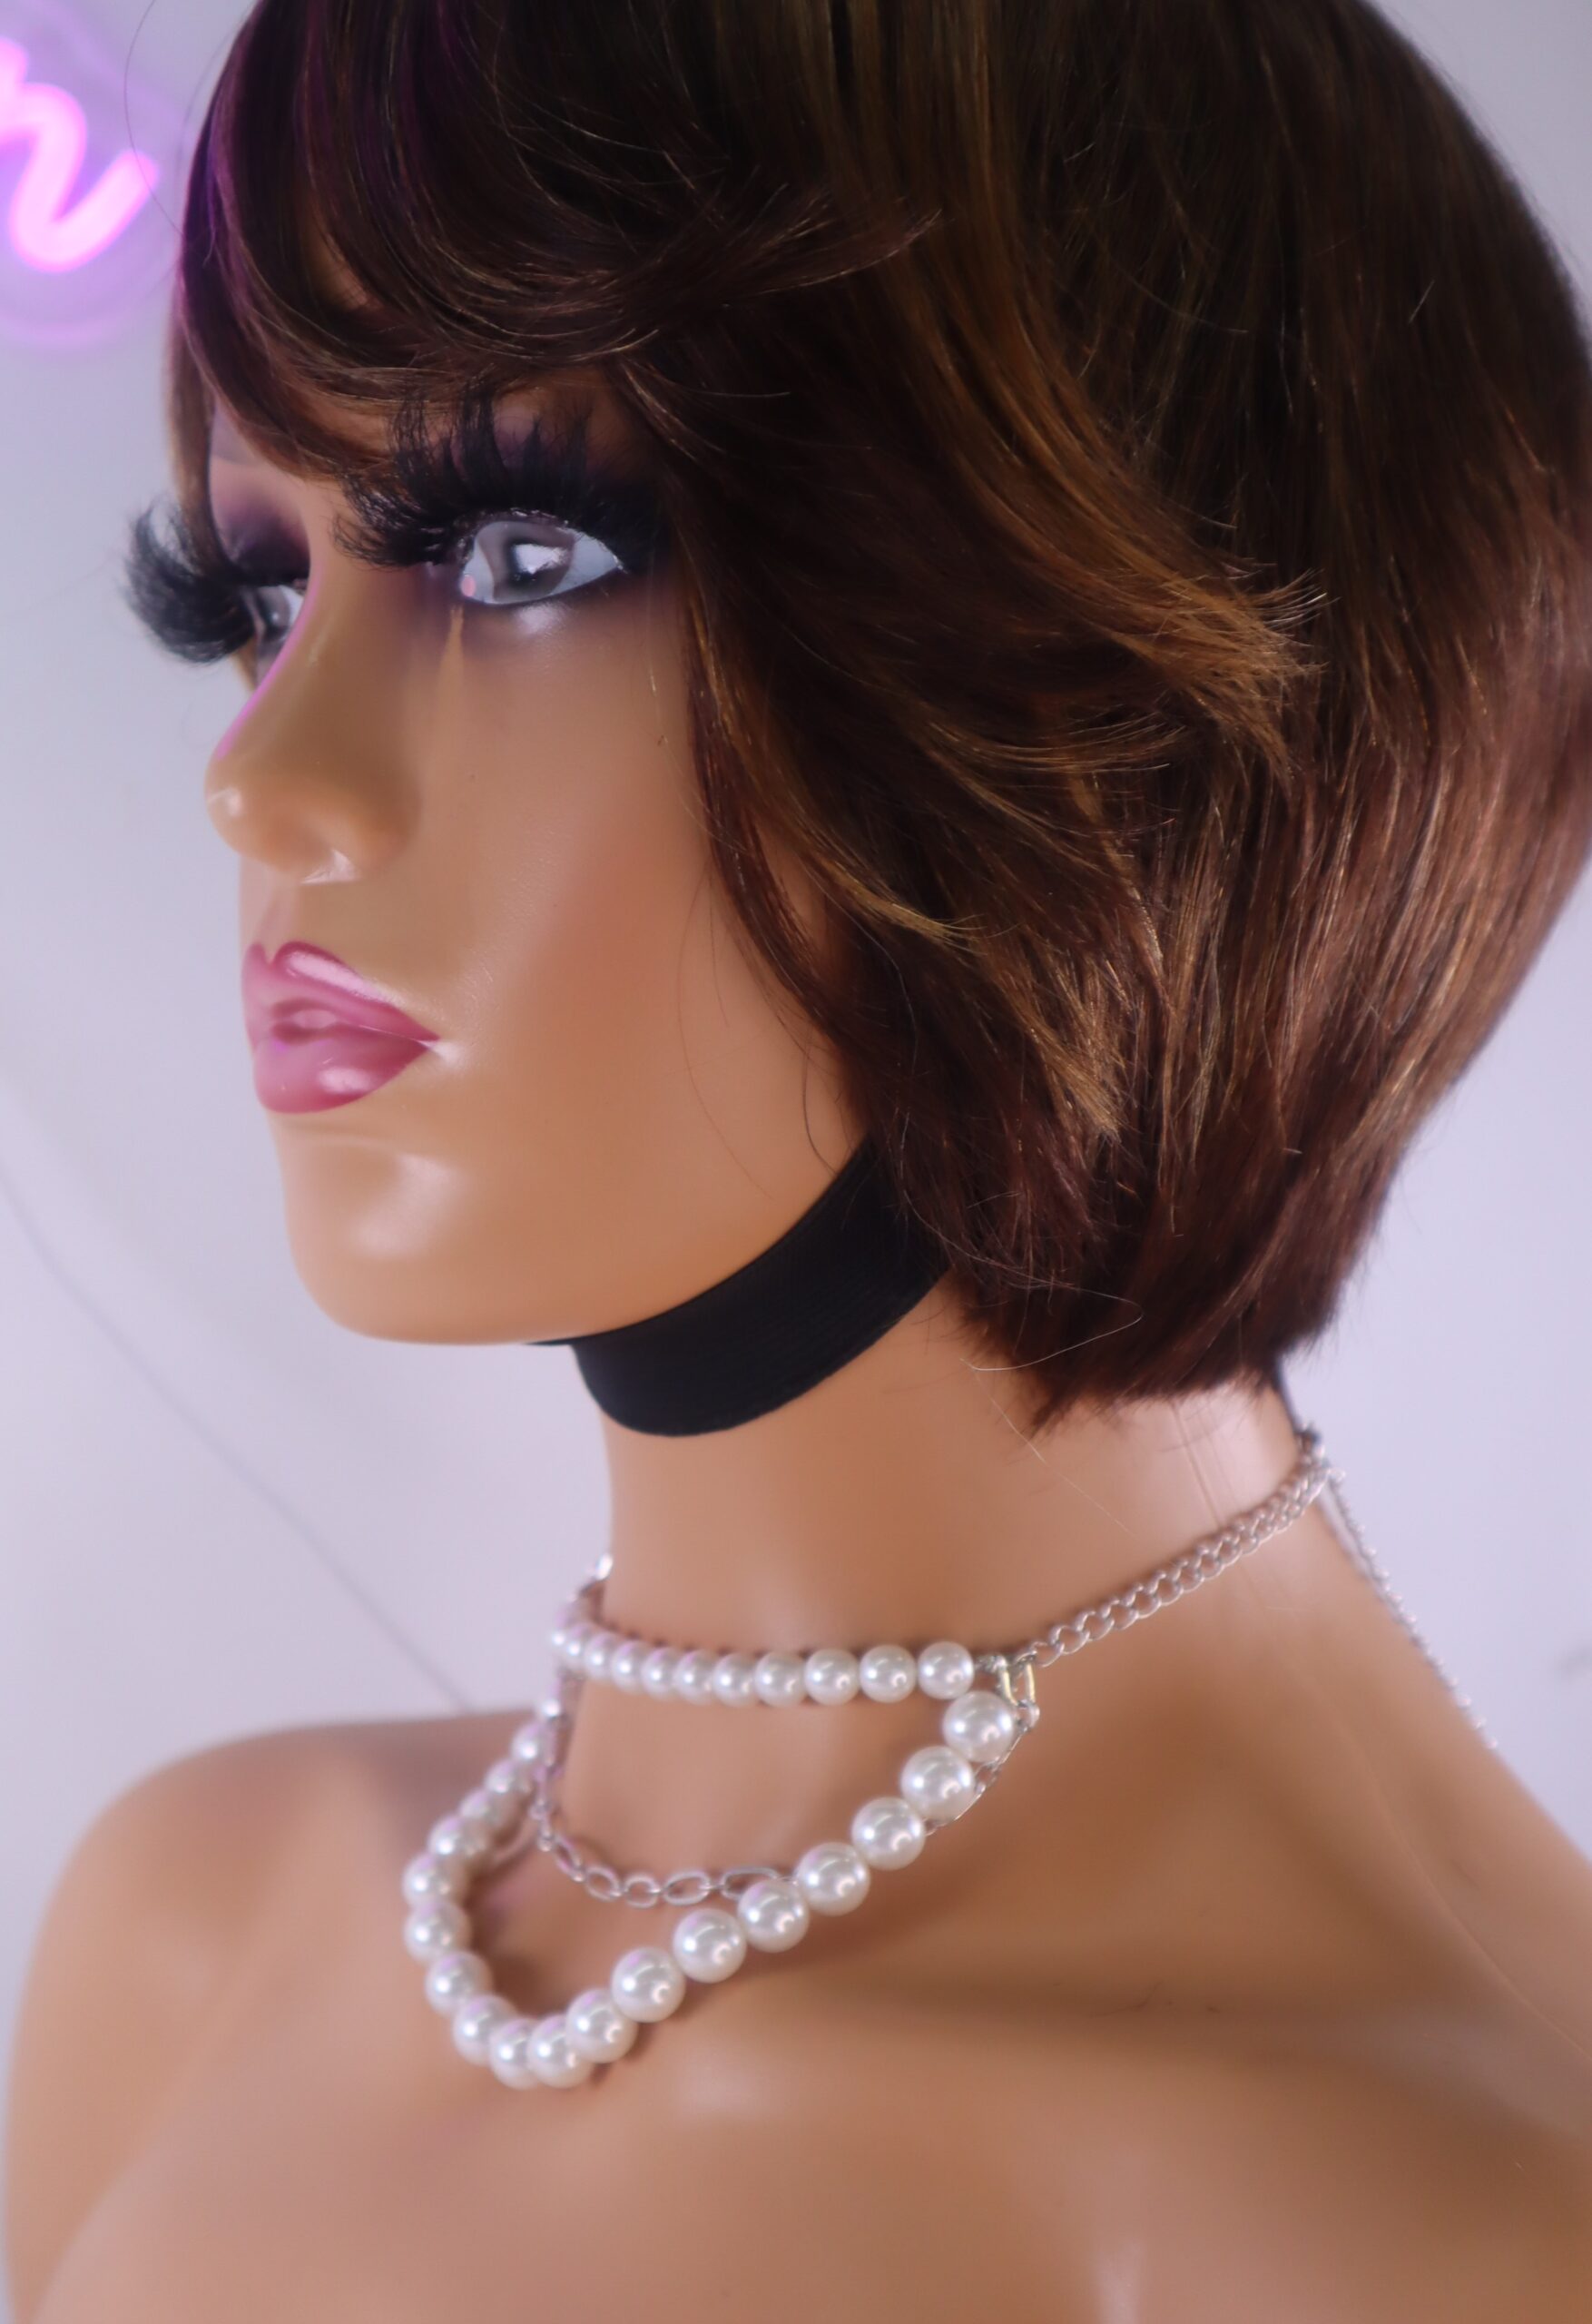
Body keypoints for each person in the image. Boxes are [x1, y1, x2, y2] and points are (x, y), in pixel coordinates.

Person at [7, 0, 1592, 2314]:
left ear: (1115, 704)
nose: (263, 779)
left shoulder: (1455, 2222)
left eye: (521, 556)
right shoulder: (193, 1935)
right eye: (257, 597)